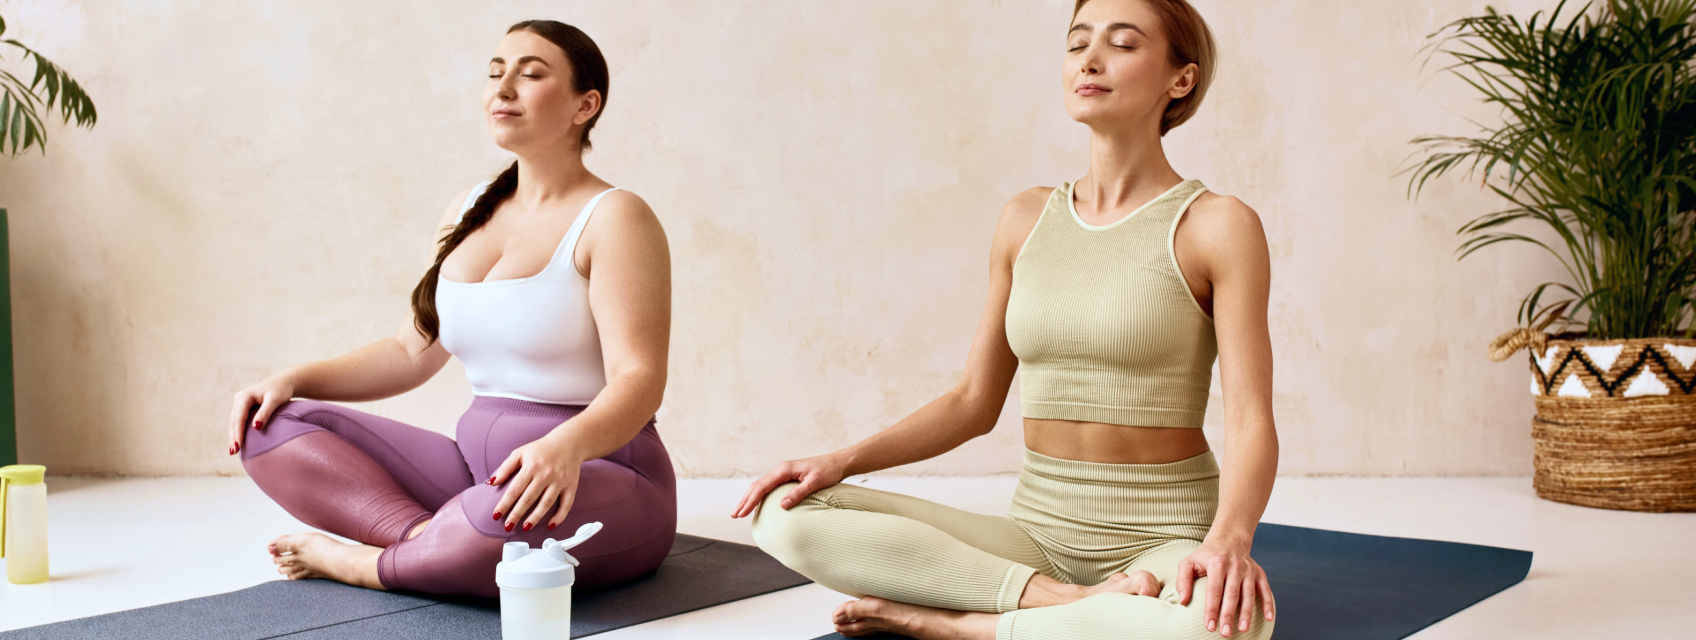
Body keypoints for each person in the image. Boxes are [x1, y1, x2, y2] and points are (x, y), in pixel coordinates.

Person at [735, 1, 1278, 637]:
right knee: (782, 511)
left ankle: (961, 626)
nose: (1090, 60)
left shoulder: (1217, 225)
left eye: (1123, 44)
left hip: (1161, 539)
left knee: (1221, 630)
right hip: (1032, 537)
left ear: (1179, 79)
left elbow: (1250, 417)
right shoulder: (1026, 218)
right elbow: (973, 401)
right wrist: (841, 461)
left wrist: (1228, 543)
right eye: (1077, 43)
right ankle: (1060, 604)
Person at [227, 19, 676, 598]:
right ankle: (430, 543)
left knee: (494, 525)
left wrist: (566, 446)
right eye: (495, 73)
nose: (504, 87)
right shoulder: (467, 209)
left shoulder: (615, 217)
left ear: (584, 105)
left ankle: (365, 564)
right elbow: (409, 351)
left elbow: (640, 378)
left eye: (531, 73)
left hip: (602, 472)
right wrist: (290, 380)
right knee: (269, 427)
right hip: (475, 474)